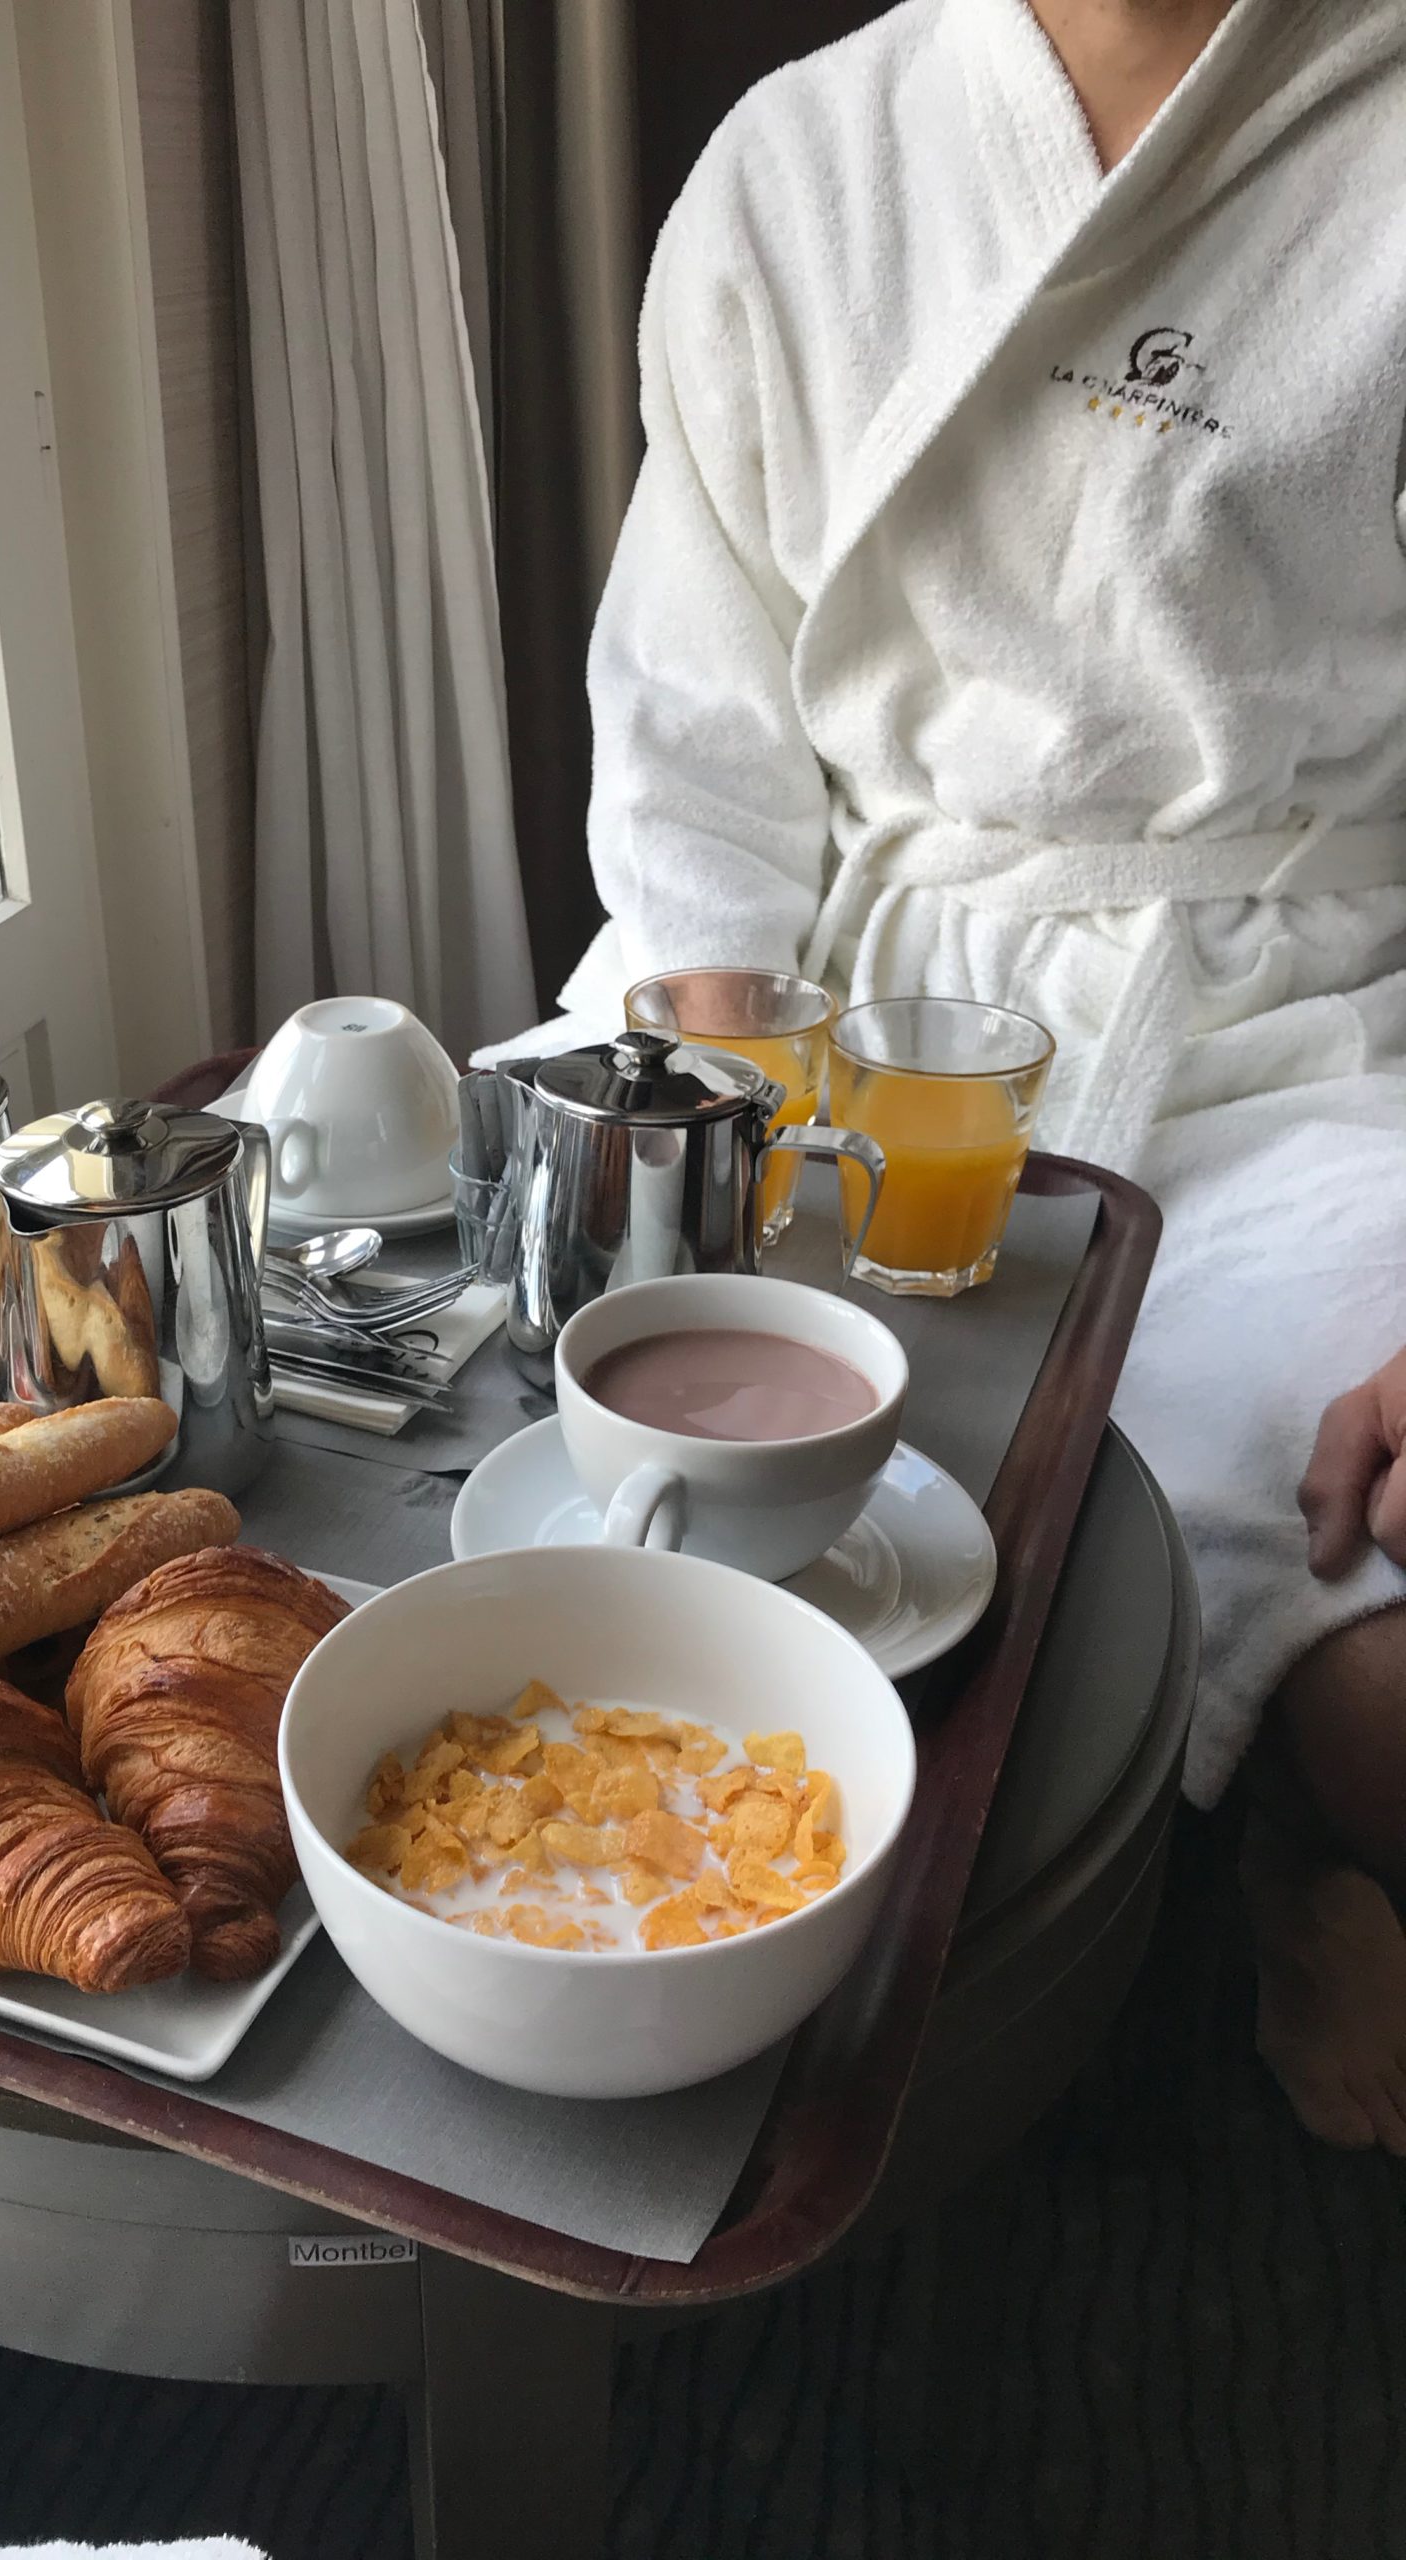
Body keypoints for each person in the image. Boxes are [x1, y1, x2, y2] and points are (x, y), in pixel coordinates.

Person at [533, 0, 1406, 2143]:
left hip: (1286, 1022)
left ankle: (1310, 1833)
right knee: (507, 1385)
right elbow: (692, 704)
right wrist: (735, 1107)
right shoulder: (799, 156)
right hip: (835, 993)